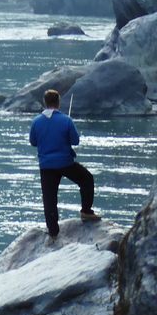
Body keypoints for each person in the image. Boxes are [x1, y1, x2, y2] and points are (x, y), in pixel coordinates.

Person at [29, 88, 101, 237]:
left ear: (45, 102)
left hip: (46, 166)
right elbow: (75, 141)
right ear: (58, 103)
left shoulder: (36, 122)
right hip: (65, 163)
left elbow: (33, 142)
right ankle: (86, 211)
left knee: (49, 198)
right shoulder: (66, 120)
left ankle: (53, 231)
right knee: (87, 179)